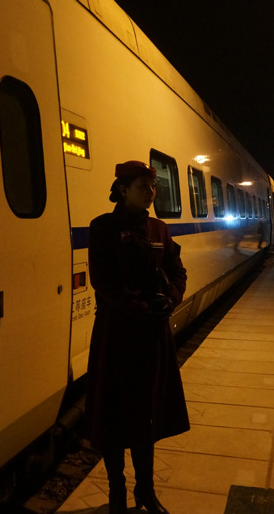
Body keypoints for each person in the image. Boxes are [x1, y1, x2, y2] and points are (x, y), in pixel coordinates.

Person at [85, 161, 189, 514]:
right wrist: (143, 308)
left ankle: (145, 491)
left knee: (147, 417)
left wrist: (171, 299)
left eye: (153, 186)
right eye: (143, 185)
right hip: (117, 334)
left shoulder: (160, 229)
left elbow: (177, 270)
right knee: (113, 417)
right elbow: (104, 281)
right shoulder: (103, 228)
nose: (150, 192)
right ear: (123, 189)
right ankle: (117, 491)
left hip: (152, 338)